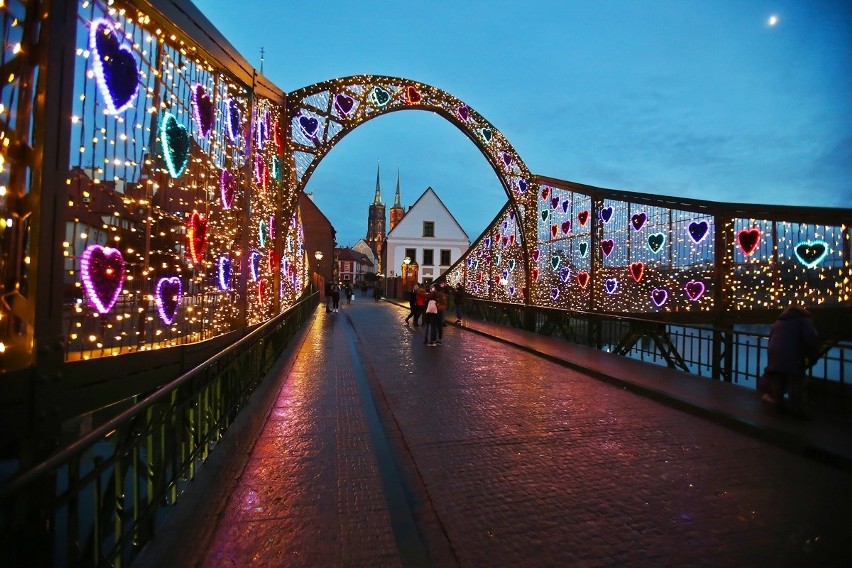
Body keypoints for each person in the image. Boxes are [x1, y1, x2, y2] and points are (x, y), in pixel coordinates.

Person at [761, 305, 820, 416]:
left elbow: (771, 339)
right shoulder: (803, 321)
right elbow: (811, 339)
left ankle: (778, 404)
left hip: (775, 354)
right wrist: (812, 356)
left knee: (779, 379)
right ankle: (795, 409)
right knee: (796, 381)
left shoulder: (779, 321)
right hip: (793, 355)